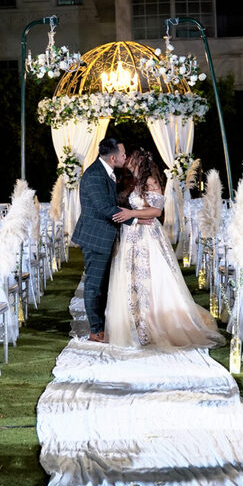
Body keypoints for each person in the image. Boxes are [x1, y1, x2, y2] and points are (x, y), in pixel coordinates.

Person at [105, 148, 225, 349]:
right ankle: (137, 321)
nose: (127, 162)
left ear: (139, 162)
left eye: (131, 159)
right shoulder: (137, 182)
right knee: (134, 277)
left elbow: (156, 211)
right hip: (134, 233)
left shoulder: (151, 181)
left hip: (147, 235)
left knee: (153, 276)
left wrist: (131, 213)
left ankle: (155, 322)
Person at [71, 137, 151, 343]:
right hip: (96, 237)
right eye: (123, 155)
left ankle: (103, 327)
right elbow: (104, 208)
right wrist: (136, 219)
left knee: (104, 284)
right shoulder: (94, 175)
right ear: (113, 157)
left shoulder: (107, 172)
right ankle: (95, 331)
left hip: (106, 236)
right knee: (94, 285)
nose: (126, 157)